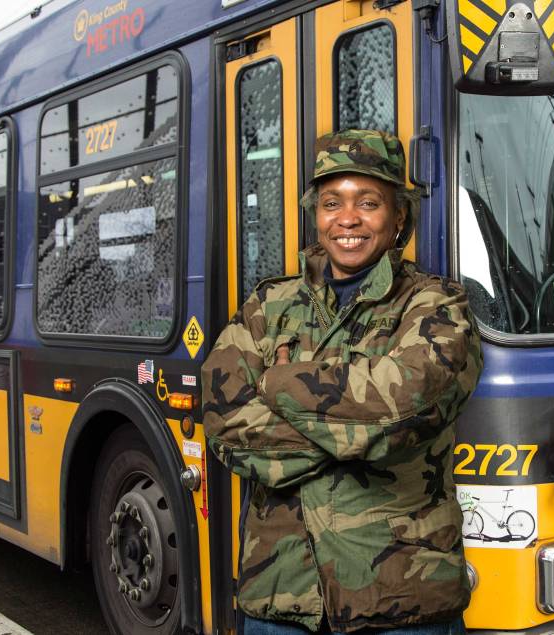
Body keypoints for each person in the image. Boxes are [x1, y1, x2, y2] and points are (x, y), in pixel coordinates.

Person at [201, 129, 483, 634]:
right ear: (317, 214)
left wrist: (277, 383)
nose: (347, 219)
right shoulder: (268, 304)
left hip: (401, 602)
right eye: (332, 203)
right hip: (278, 598)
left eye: (368, 202)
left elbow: (405, 408)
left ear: (399, 216)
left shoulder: (437, 305)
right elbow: (223, 422)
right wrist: (355, 433)